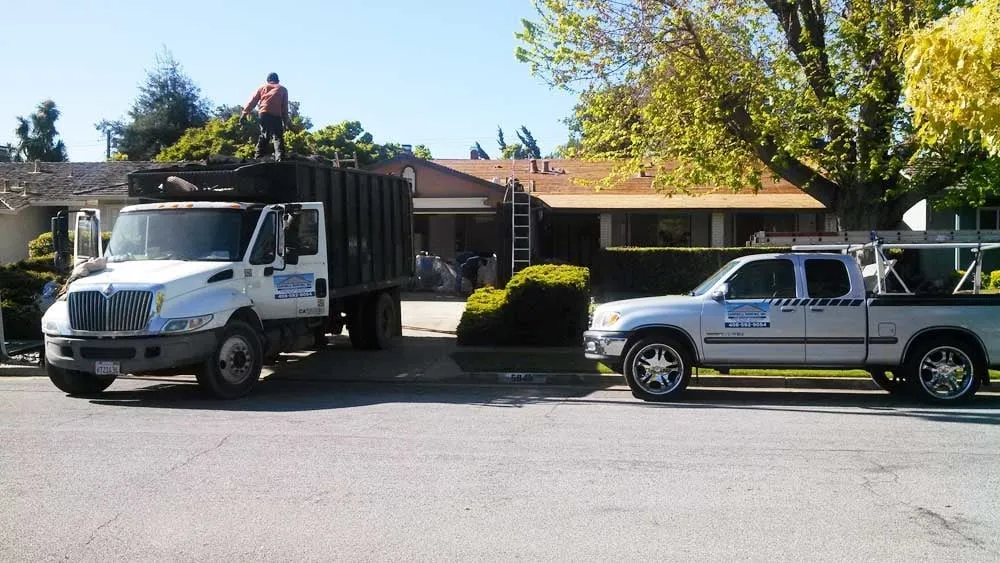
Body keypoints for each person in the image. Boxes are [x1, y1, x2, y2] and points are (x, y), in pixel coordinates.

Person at [240, 72, 291, 161]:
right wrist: (285, 122)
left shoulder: (262, 88)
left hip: (264, 113)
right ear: (278, 80)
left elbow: (252, 101)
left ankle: (258, 156)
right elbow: (284, 108)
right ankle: (280, 157)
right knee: (278, 136)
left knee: (264, 134)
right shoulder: (283, 89)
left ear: (268, 81)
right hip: (276, 115)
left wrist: (244, 114)